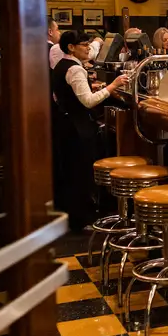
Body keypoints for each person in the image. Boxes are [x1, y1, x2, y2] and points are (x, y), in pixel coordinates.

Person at [51, 31, 128, 232]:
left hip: (65, 123)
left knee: (71, 173)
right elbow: (88, 101)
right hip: (76, 127)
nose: (88, 48)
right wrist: (113, 85)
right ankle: (82, 221)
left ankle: (75, 217)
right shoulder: (75, 69)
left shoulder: (63, 64)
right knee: (80, 173)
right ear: (71, 47)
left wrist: (91, 86)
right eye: (84, 44)